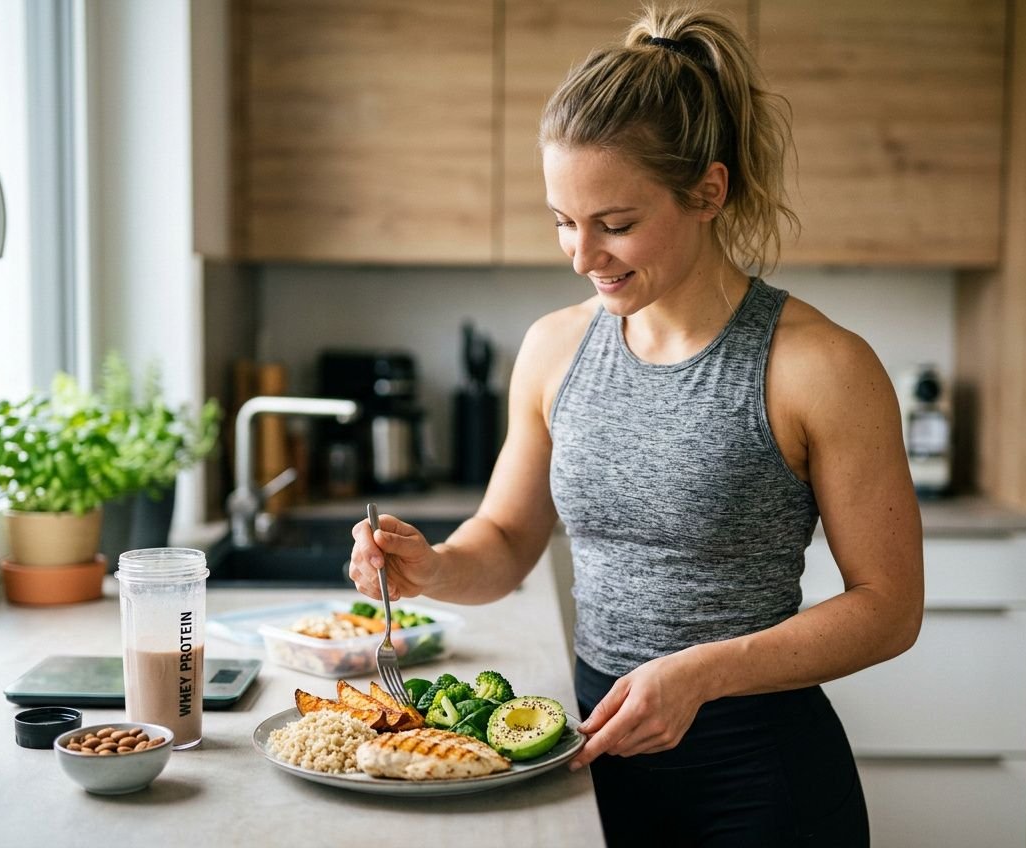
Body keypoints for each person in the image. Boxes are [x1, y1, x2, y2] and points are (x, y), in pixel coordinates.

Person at [349, 5, 923, 845]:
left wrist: (702, 673)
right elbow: (506, 539)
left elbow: (889, 607)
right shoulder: (554, 348)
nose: (584, 257)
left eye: (615, 225)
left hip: (759, 783)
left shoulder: (821, 365)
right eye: (562, 222)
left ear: (708, 192)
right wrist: (429, 566)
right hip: (585, 761)